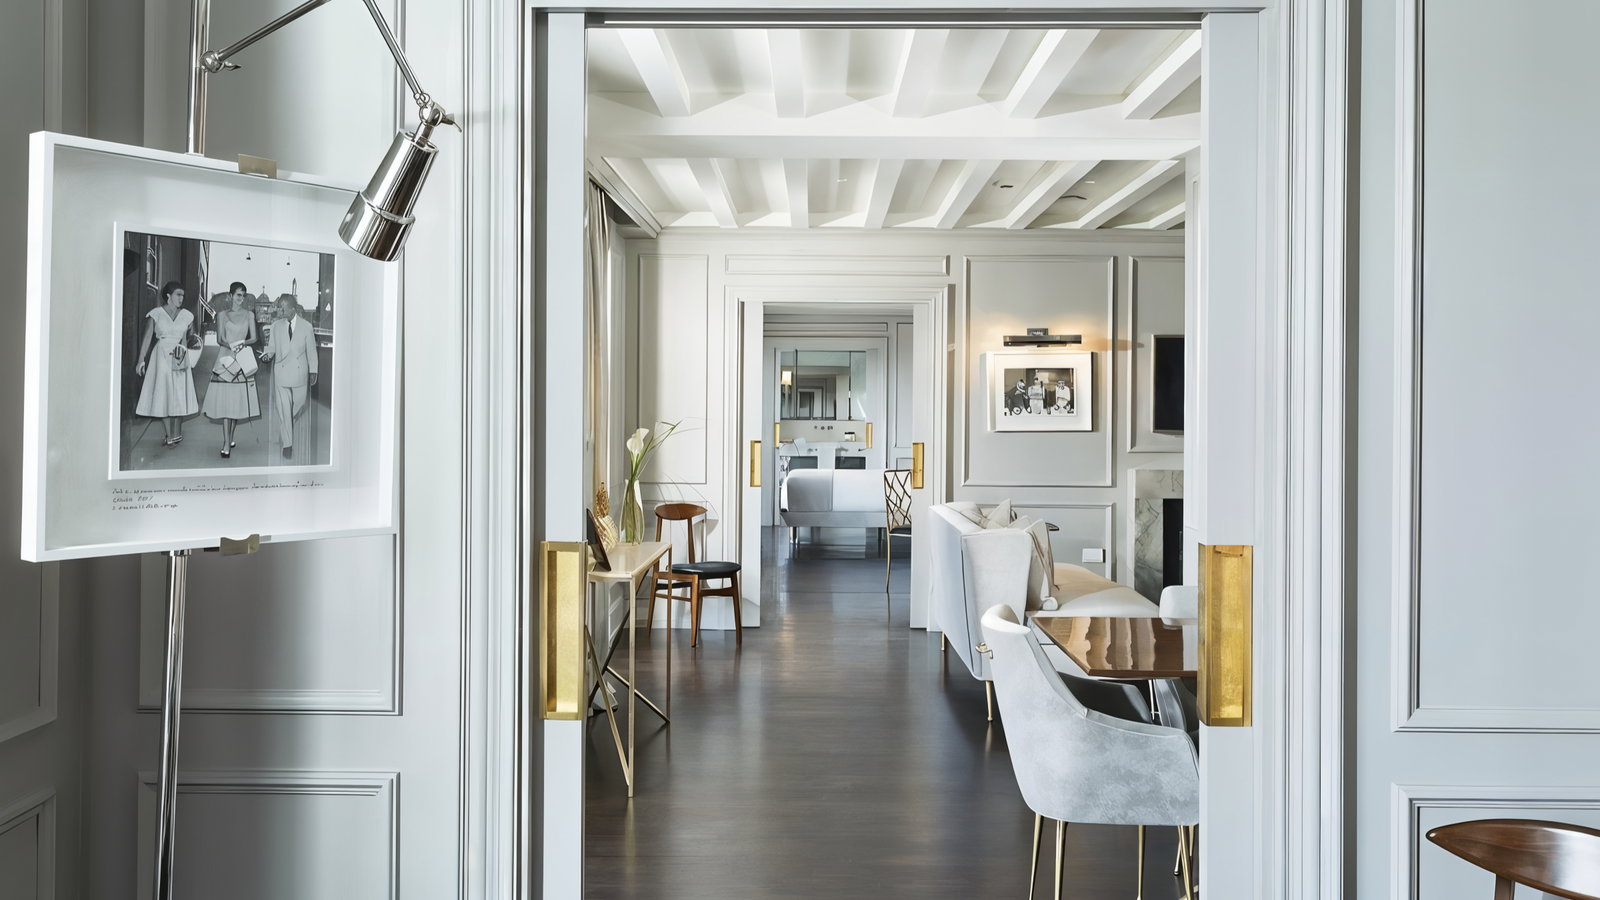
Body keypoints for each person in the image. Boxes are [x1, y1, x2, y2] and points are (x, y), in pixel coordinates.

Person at [133, 280, 199, 446]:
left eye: (183, 295)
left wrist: (183, 356)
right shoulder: (156, 314)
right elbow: (148, 337)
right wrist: (141, 359)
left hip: (179, 355)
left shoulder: (186, 315)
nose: (181, 298)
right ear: (168, 296)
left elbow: (185, 339)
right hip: (161, 355)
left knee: (178, 393)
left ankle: (176, 433)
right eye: (178, 294)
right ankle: (170, 434)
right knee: (163, 393)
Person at [201, 282, 260, 458]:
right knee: (227, 403)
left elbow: (254, 338)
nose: (240, 299)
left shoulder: (249, 315)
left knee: (236, 402)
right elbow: (219, 339)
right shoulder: (222, 315)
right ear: (231, 296)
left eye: (243, 295)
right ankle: (226, 442)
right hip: (225, 359)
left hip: (242, 359)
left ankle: (231, 437)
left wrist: (241, 345)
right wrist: (232, 346)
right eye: (238, 295)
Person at [262, 294, 317, 460]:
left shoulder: (306, 327)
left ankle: (286, 429)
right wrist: (267, 355)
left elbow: (311, 351)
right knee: (284, 409)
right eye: (279, 307)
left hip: (300, 373)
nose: (279, 310)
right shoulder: (275, 326)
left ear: (293, 309)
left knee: (298, 405)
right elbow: (271, 347)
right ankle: (288, 445)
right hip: (281, 371)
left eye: (282, 308)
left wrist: (313, 370)